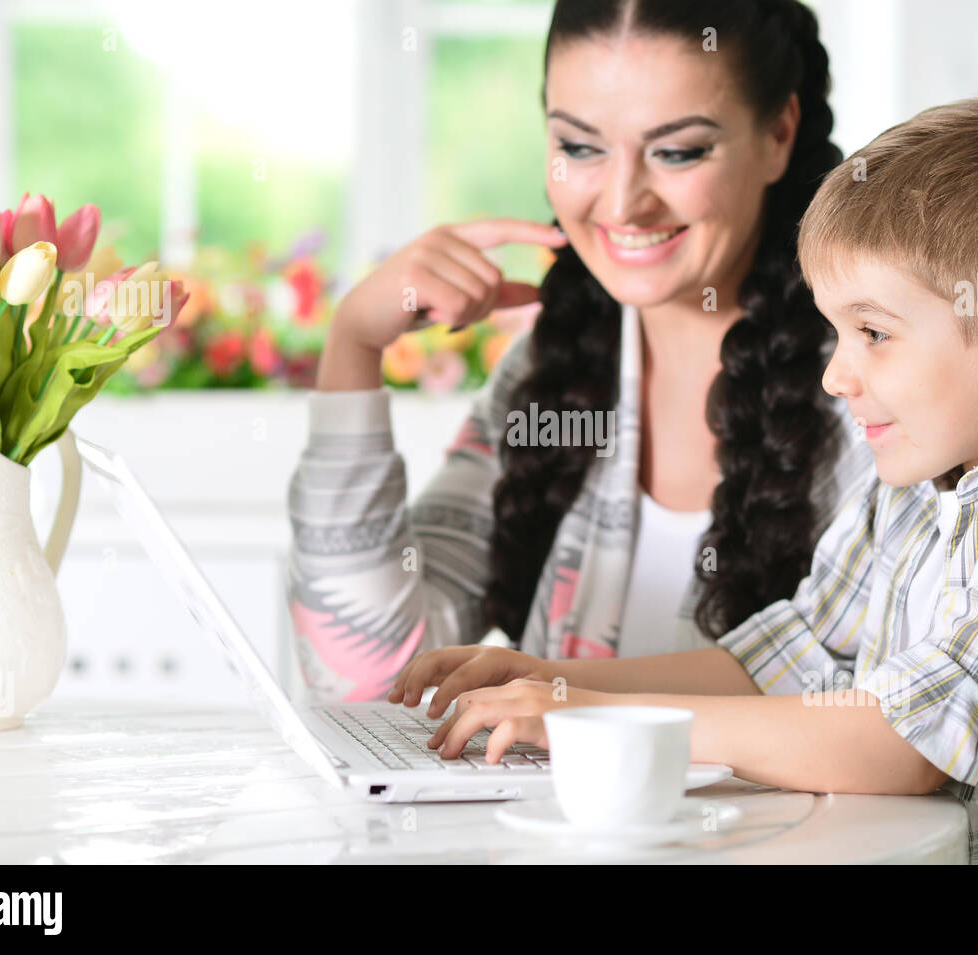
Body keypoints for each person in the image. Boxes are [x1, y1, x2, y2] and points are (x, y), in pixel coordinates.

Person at [393, 94, 978, 865]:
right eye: (836, 333)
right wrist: (549, 679)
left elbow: (910, 743)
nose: (835, 377)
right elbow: (790, 656)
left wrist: (589, 717)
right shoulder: (924, 475)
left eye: (873, 333)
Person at [287, 0, 874, 702]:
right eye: (579, 147)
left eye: (679, 151)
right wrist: (354, 344)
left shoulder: (878, 383)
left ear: (780, 133)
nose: (623, 203)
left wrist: (566, 689)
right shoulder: (552, 368)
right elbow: (364, 675)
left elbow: (894, 720)